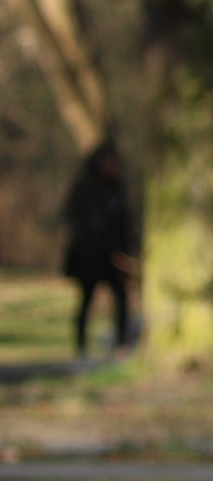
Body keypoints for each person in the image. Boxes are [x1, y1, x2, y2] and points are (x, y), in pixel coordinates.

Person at [61, 141, 136, 356]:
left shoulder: (116, 188)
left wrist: (125, 250)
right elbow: (75, 220)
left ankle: (122, 342)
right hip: (89, 256)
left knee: (121, 298)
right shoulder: (84, 188)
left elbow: (124, 222)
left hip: (114, 256)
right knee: (86, 299)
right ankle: (81, 344)